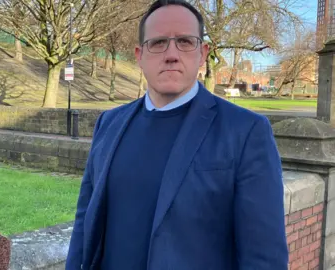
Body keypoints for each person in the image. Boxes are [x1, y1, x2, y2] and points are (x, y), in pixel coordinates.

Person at [65, 0, 288, 269]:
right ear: (139, 55)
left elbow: (264, 257)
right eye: (158, 43)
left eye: (184, 41)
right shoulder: (108, 124)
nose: (171, 54)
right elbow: (84, 221)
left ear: (203, 53)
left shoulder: (246, 131)